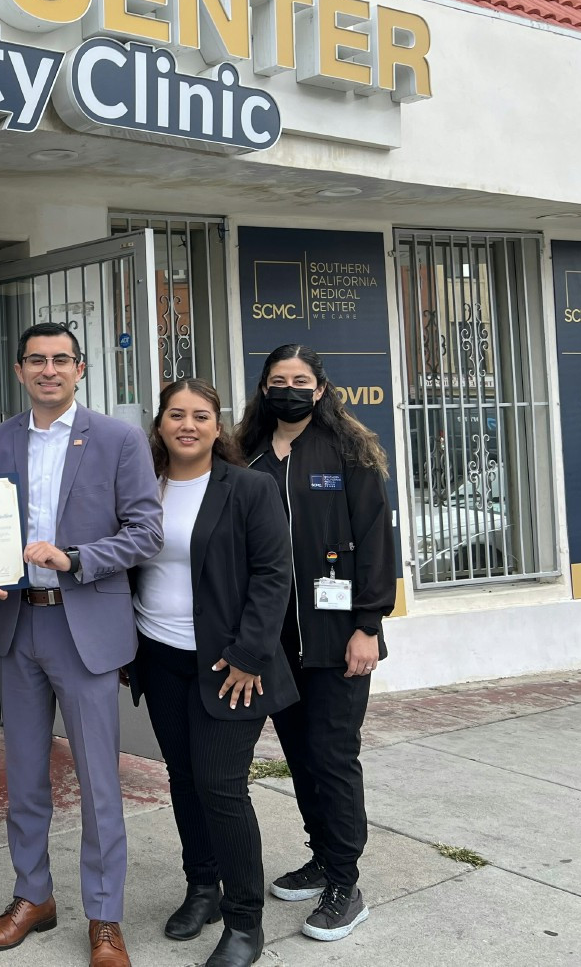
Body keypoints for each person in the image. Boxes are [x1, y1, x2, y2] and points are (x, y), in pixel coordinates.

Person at [0, 324, 162, 967]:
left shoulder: (117, 438)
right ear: (19, 370)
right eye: (35, 360)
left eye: (61, 360)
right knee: (23, 777)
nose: (48, 370)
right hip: (17, 627)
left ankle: (104, 917)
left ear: (80, 369)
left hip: (85, 628)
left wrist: (76, 558)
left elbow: (145, 533)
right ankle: (34, 897)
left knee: (100, 784)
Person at [126, 379, 295, 967]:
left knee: (222, 787)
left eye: (201, 415)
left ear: (218, 426)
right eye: (176, 414)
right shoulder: (142, 487)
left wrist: (251, 654)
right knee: (183, 779)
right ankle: (204, 888)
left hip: (230, 666)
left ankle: (247, 922)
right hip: (159, 656)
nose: (188, 425)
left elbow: (275, 574)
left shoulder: (250, 487)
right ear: (160, 424)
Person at [236, 344, 396, 944]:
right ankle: (323, 855)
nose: (289, 389)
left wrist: (368, 627)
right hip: (272, 641)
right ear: (264, 389)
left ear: (320, 390)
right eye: (278, 380)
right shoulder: (246, 454)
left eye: (300, 380)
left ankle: (345, 882)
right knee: (300, 755)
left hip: (337, 639)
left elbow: (375, 539)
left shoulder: (347, 451)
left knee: (332, 757)